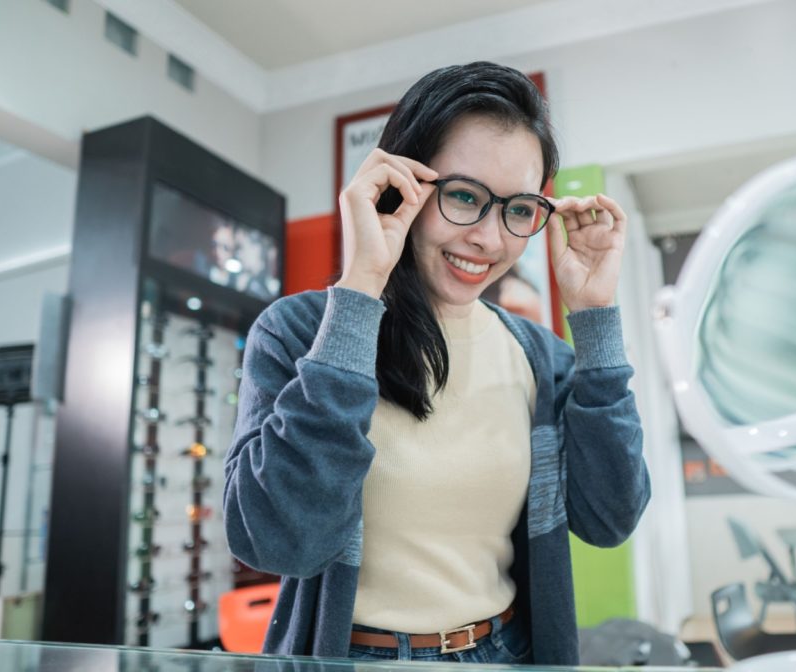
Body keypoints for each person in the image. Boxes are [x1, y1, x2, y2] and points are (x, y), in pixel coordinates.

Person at [223, 62, 650, 666]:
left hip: (503, 652)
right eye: (465, 197)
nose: (490, 239)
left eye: (518, 209)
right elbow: (277, 540)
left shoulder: (540, 356)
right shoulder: (298, 332)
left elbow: (610, 518)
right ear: (402, 187)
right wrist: (362, 284)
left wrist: (596, 319)